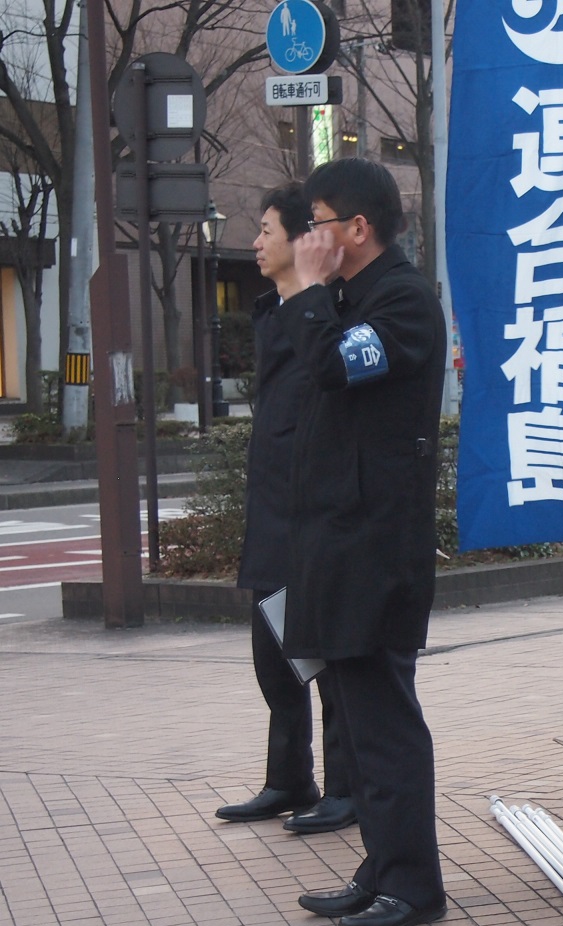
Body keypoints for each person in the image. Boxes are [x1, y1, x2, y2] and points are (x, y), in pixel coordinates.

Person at [276, 158, 448, 926]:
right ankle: (380, 869)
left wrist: (309, 294)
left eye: (317, 222)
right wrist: (313, 297)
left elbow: (331, 368)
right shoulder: (351, 299)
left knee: (384, 725)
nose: (309, 238)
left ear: (357, 228)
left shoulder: (405, 303)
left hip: (375, 548)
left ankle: (413, 885)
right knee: (353, 714)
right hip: (336, 541)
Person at [216, 183, 356, 836]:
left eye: (267, 229)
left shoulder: (321, 310)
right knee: (273, 658)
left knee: (322, 658)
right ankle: (288, 777)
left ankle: (345, 789)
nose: (255, 241)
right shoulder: (272, 310)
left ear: (302, 240)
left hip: (306, 513)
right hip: (270, 509)